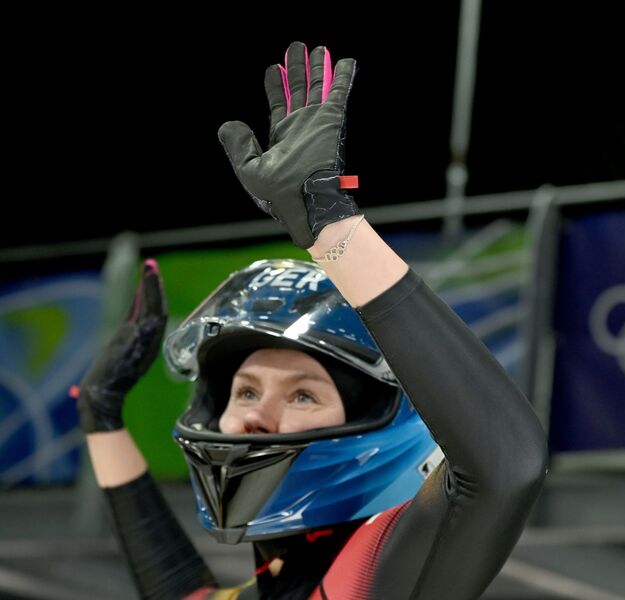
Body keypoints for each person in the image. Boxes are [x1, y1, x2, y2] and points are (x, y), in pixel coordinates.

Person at [77, 41, 548, 600]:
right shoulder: (279, 587)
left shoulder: (377, 571)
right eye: (246, 391)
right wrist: (101, 416)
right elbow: (179, 589)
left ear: (373, 424)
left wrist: (330, 223)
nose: (256, 417)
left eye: (302, 396)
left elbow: (504, 468)